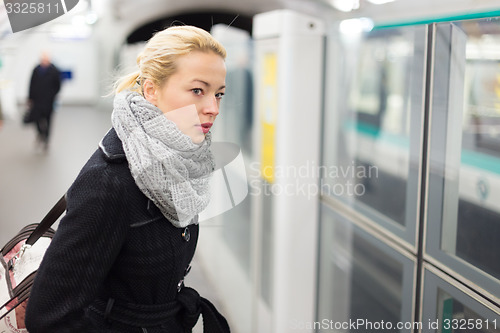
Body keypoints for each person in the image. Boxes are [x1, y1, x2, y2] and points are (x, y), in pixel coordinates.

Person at [25, 25, 230, 332]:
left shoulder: (178, 164)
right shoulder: (109, 183)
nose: (212, 108)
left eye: (219, 94)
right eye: (198, 91)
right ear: (151, 90)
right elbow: (48, 317)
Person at [28, 51, 61, 150]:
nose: (44, 62)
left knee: (48, 120)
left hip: (49, 101)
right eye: (43, 60)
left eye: (46, 60)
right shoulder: (36, 70)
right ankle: (41, 133)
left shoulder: (54, 70)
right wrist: (30, 98)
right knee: (36, 118)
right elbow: (31, 84)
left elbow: (58, 85)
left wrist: (53, 94)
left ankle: (46, 139)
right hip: (37, 100)